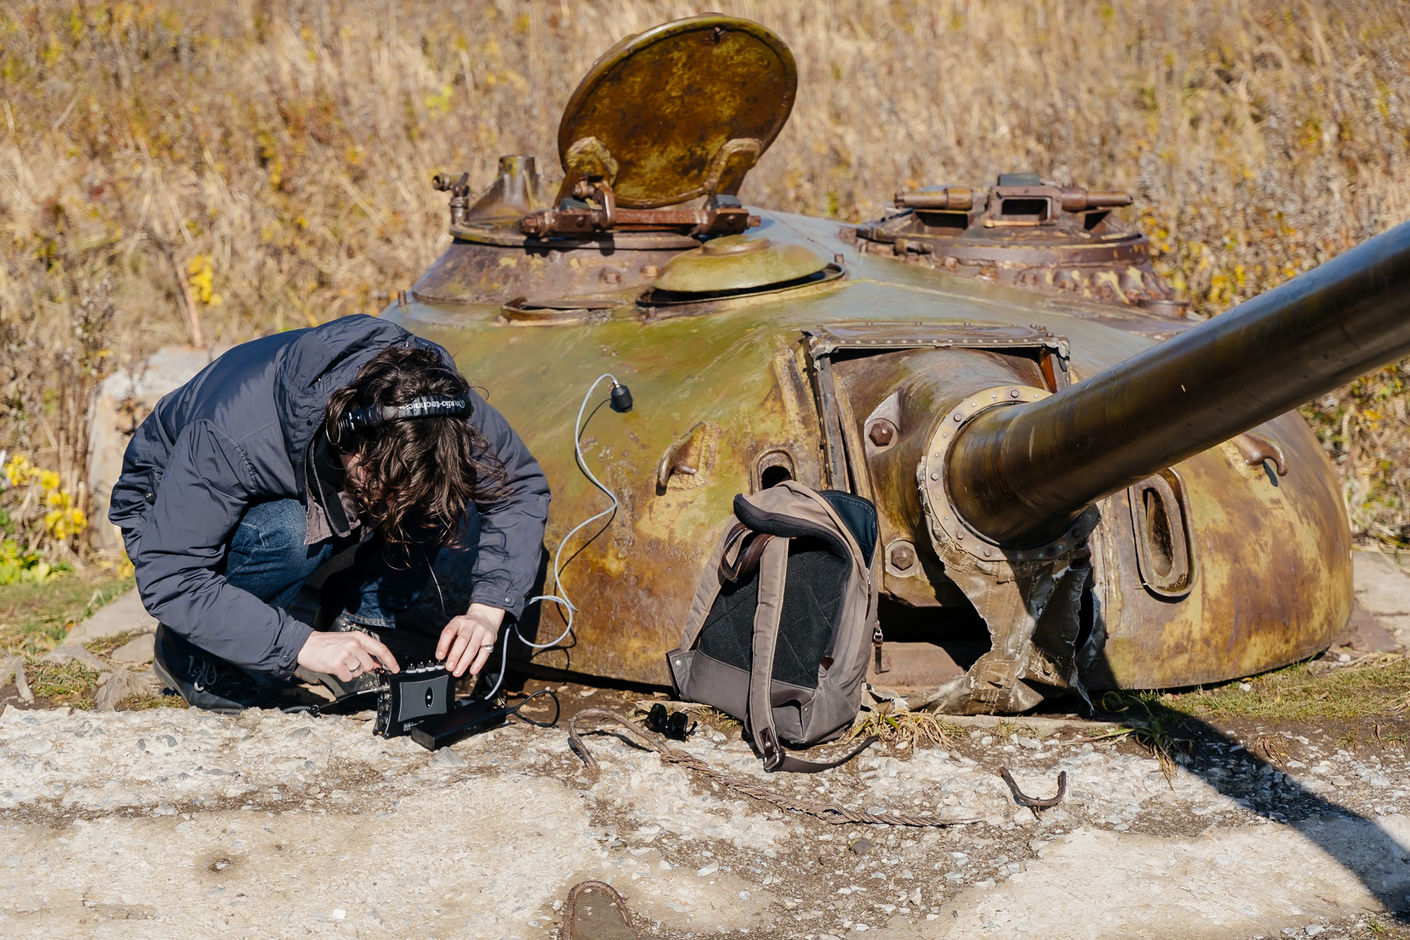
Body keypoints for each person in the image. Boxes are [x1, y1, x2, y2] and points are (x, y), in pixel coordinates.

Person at [109, 314, 550, 712]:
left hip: (318, 479)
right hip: (168, 508)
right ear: (345, 438)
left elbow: (519, 489)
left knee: (433, 484)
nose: (391, 505)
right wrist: (301, 645)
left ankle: (359, 624)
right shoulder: (231, 435)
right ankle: (192, 653)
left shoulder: (434, 410)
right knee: (285, 530)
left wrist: (488, 608)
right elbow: (172, 575)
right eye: (375, 477)